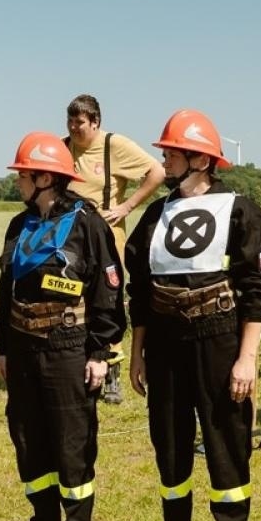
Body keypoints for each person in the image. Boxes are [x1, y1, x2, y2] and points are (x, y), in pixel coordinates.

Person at [124, 111, 261, 521]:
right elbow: (141, 289)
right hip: (166, 341)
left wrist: (247, 357)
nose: (163, 157)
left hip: (220, 337)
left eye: (170, 150)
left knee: (225, 443)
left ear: (200, 158)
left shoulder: (241, 210)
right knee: (170, 443)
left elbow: (256, 288)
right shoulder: (156, 214)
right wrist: (138, 351)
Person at [0, 133, 125, 521]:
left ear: (45, 177)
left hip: (69, 349)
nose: (18, 183)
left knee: (72, 445)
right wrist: (4, 348)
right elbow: (5, 286)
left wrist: (100, 351)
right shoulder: (18, 225)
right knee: (30, 442)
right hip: (24, 346)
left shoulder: (87, 223)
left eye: (23, 175)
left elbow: (108, 290)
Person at [65, 95, 166, 404]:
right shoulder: (62, 146)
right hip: (68, 241)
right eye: (69, 121)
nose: (73, 127)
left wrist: (127, 206)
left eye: (79, 122)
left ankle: (112, 373)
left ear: (96, 122)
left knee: (106, 303)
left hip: (105, 239)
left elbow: (157, 172)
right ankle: (79, 364)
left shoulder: (114, 146)